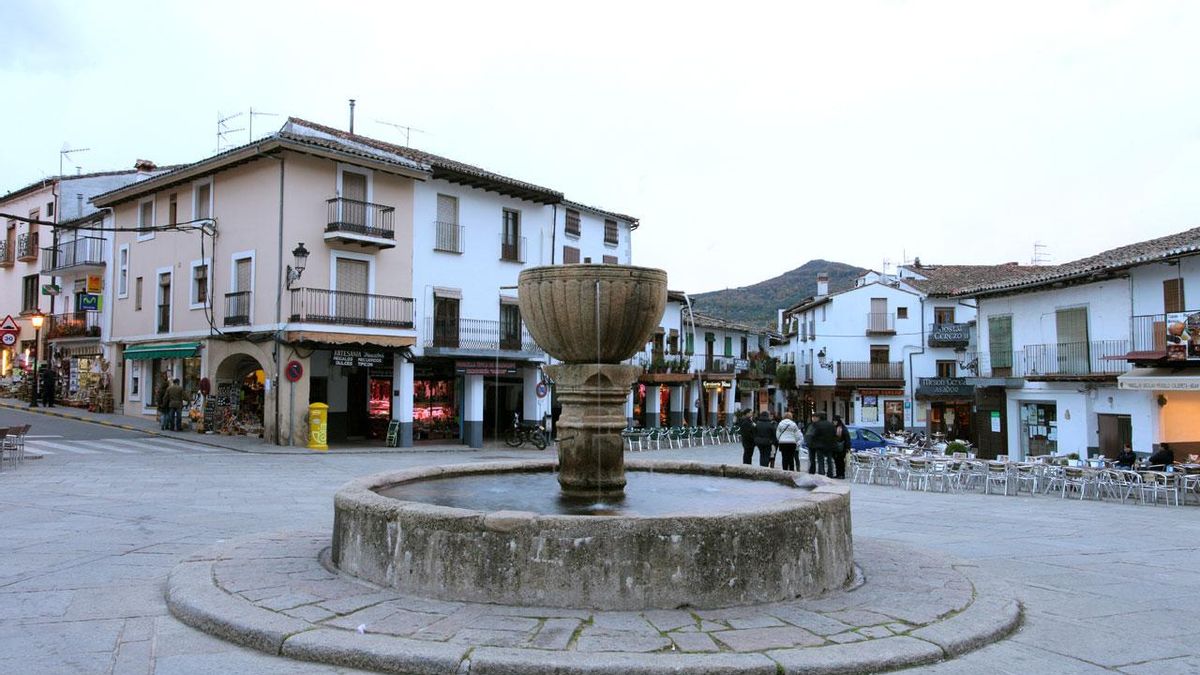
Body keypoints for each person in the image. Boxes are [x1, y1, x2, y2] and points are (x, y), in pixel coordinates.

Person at [804, 412, 838, 478]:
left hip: (820, 445)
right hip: (830, 445)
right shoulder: (831, 424)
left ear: (819, 418)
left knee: (820, 460)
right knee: (829, 460)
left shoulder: (816, 424)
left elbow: (814, 434)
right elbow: (835, 434)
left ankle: (821, 473)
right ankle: (830, 473)